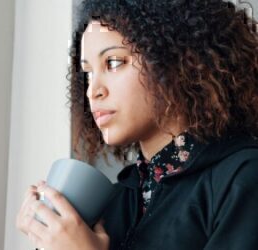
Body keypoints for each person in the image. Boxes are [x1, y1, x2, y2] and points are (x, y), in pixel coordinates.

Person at [16, 0, 258, 249]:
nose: (93, 91)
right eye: (87, 73)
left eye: (113, 63)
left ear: (178, 60)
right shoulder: (113, 203)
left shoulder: (243, 177)